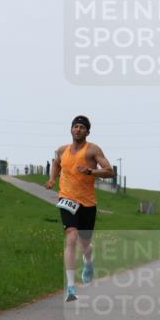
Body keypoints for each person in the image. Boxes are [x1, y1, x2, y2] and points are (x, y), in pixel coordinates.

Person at [44, 115, 114, 302]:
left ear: (87, 132)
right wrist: (52, 178)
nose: (78, 130)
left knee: (85, 245)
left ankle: (88, 262)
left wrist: (91, 171)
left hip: (88, 203)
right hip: (67, 199)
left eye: (82, 127)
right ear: (71, 130)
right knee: (71, 237)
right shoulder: (61, 150)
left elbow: (110, 171)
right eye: (75, 126)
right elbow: (56, 163)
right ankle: (71, 287)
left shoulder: (92, 150)